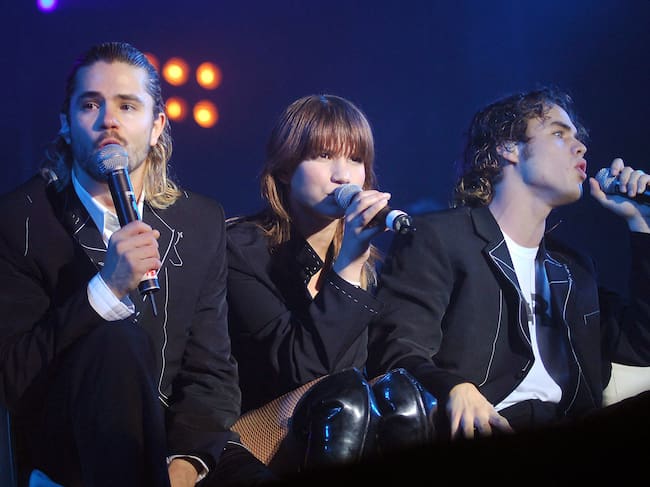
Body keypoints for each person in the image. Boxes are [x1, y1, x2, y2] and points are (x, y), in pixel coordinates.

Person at [0, 41, 268, 487]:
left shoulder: (200, 220)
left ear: (157, 125)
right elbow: (13, 376)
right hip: (78, 454)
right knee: (114, 340)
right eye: (91, 104)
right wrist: (104, 289)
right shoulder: (20, 220)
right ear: (67, 125)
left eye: (127, 105)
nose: (109, 119)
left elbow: (212, 370)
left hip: (184, 447)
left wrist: (186, 463)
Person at [368, 87, 650, 439]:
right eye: (559, 134)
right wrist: (455, 387)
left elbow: (641, 345)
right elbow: (396, 349)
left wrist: (643, 226)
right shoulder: (438, 237)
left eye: (577, 137)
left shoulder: (573, 268)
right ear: (508, 147)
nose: (581, 147)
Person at [226, 95, 435, 473]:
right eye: (323, 156)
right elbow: (303, 372)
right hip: (252, 435)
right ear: (286, 168)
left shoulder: (366, 267)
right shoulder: (242, 249)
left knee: (405, 398)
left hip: (337, 429)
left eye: (355, 160)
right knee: (347, 399)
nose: (343, 175)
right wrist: (349, 263)